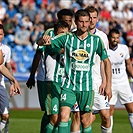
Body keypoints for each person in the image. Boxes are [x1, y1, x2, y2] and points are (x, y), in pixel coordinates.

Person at [40, 9, 112, 133]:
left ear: (90, 22)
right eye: (81, 22)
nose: (84, 24)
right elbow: (42, 43)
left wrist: (108, 85)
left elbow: (106, 62)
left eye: (86, 22)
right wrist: (42, 40)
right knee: (63, 115)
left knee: (85, 120)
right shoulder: (67, 38)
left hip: (86, 86)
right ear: (76, 22)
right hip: (69, 86)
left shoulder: (96, 40)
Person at [26, 8, 74, 133]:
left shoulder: (72, 35)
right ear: (59, 21)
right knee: (52, 115)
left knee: (65, 114)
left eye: (70, 21)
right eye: (65, 21)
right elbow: (40, 50)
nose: (68, 23)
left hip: (65, 81)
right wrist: (32, 75)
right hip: (47, 79)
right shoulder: (50, 33)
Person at [71, 5, 112, 133]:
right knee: (78, 117)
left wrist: (106, 83)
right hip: (78, 82)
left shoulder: (102, 37)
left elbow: (104, 62)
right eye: (90, 18)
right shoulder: (73, 35)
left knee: (105, 115)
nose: (93, 20)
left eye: (95, 17)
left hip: (97, 81)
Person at [108, 28, 133, 132]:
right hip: (111, 84)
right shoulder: (105, 50)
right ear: (109, 38)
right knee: (109, 111)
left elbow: (128, 64)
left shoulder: (124, 48)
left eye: (117, 38)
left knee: (131, 109)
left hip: (123, 83)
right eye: (113, 37)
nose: (115, 40)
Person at [0, 24, 21, 133]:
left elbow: (5, 67)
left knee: (5, 115)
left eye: (1, 34)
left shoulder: (6, 49)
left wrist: (12, 81)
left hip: (0, 85)